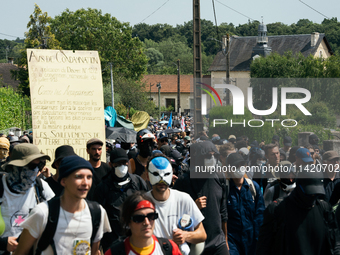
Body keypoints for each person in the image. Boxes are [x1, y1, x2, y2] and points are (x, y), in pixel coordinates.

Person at [16, 155, 111, 255]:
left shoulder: (97, 213)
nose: (85, 183)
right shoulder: (42, 213)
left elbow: (95, 251)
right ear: (63, 181)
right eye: (78, 177)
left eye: (89, 177)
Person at [256, 167, 340, 255]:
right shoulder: (277, 209)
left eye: (316, 194)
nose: (312, 197)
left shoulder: (324, 209)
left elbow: (335, 241)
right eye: (309, 193)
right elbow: (263, 246)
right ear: (299, 186)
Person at [173, 141, 229, 255]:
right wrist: (193, 208)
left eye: (215, 155)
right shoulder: (184, 181)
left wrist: (225, 240)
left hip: (218, 243)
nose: (212, 159)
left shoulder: (219, 176)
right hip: (194, 245)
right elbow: (174, 214)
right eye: (208, 156)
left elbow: (223, 212)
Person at [0, 144, 55, 254]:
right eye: (31, 166)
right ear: (16, 167)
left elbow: (57, 216)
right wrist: (3, 243)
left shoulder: (41, 187)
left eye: (38, 166)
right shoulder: (1, 186)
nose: (35, 171)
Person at [145, 155, 207, 249]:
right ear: (148, 176)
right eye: (156, 174)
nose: (161, 179)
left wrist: (185, 235)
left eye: (166, 174)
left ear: (171, 173)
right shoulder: (142, 203)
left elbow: (202, 234)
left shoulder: (184, 199)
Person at [94, 148, 148, 252]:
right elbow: (98, 217)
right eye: (118, 164)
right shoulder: (103, 187)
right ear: (110, 165)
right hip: (112, 242)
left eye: (124, 163)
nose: (122, 166)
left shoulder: (137, 182)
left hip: (136, 239)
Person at [105, 191, 181, 255]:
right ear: (127, 221)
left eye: (151, 216)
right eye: (139, 218)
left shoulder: (169, 248)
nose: (147, 222)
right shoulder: (114, 253)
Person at [225, 153, 265, 255]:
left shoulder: (253, 187)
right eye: (236, 166)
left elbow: (259, 214)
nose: (239, 168)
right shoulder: (225, 189)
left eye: (241, 165)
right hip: (232, 240)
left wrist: (259, 239)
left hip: (251, 240)